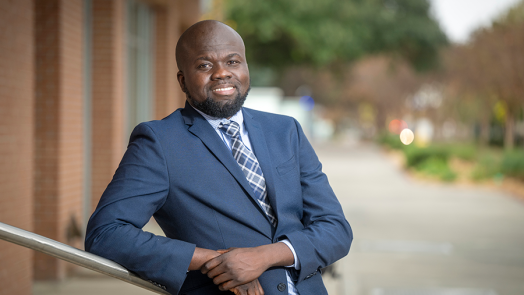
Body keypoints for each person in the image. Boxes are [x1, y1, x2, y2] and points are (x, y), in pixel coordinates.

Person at [85, 20, 352, 295]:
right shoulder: (159, 142)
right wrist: (215, 262)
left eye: (233, 61)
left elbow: (335, 230)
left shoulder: (286, 131)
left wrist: (263, 257)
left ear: (246, 68)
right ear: (182, 80)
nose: (222, 73)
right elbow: (106, 233)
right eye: (204, 65)